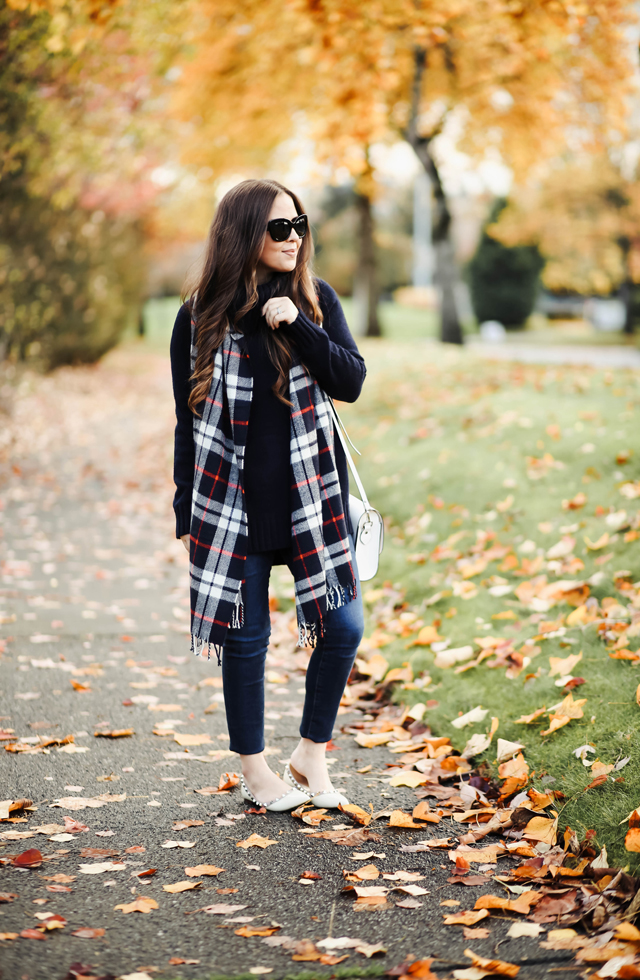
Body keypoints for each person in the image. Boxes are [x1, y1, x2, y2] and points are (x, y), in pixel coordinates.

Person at [170, 178, 366, 811]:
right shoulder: (199, 314)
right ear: (243, 234)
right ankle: (256, 773)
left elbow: (352, 380)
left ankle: (309, 754)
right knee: (245, 638)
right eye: (279, 227)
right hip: (231, 506)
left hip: (312, 500)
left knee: (343, 627)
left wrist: (302, 328)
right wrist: (184, 511)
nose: (294, 237)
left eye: (299, 224)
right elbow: (187, 420)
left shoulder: (316, 298)